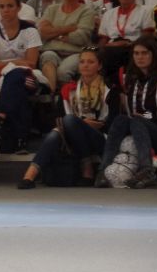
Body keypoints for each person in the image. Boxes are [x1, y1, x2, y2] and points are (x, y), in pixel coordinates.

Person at [18, 47, 118, 189]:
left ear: (99, 66)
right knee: (58, 131)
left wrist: (93, 125)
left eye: (90, 62)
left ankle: (86, 167)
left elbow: (114, 123)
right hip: (71, 134)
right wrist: (79, 124)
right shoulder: (69, 89)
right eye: (82, 62)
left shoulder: (110, 89)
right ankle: (29, 176)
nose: (85, 65)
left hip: (99, 137)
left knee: (69, 120)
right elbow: (57, 118)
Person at [95, 36, 157, 189]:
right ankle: (103, 171)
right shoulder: (131, 81)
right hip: (138, 131)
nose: (140, 57)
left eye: (144, 53)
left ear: (154, 55)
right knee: (120, 119)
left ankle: (147, 171)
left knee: (137, 120)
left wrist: (146, 118)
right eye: (136, 53)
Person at [0, 0, 43, 153]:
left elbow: (31, 63)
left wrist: (3, 67)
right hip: (4, 78)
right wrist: (17, 63)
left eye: (10, 6)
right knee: (17, 88)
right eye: (2, 7)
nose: (6, 10)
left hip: (28, 77)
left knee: (16, 76)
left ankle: (0, 119)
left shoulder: (30, 30)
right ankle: (21, 140)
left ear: (18, 8)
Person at [39, 0, 95, 91]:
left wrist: (54, 33)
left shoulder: (87, 11)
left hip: (76, 52)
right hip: (51, 50)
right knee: (47, 58)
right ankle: (51, 95)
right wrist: (67, 29)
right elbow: (42, 33)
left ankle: (64, 99)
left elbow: (81, 37)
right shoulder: (52, 9)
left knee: (62, 72)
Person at [98, 0, 154, 79]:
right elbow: (103, 40)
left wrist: (126, 43)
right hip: (110, 49)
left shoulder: (145, 11)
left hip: (133, 48)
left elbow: (147, 38)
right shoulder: (108, 14)